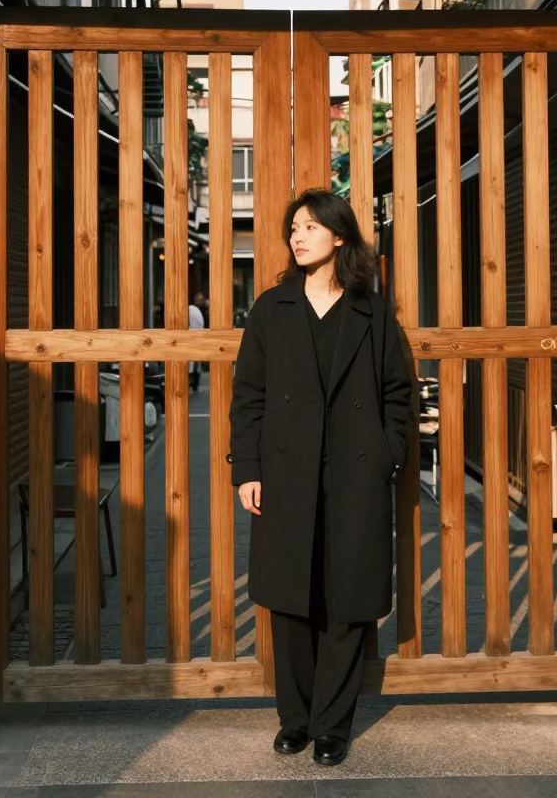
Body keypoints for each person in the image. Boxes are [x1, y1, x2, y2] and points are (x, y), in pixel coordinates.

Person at [227, 188, 414, 767]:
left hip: (355, 477)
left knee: (347, 601)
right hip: (287, 475)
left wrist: (387, 454)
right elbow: (248, 396)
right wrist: (249, 469)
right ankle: (295, 718)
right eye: (293, 228)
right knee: (292, 597)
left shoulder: (372, 313)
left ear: (339, 237)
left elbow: (397, 394)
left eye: (309, 227)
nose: (297, 236)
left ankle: (333, 724)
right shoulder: (271, 309)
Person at [188, 296, 205, 392]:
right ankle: (194, 383)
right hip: (197, 337)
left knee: (193, 363)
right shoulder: (195, 310)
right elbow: (200, 325)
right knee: (195, 363)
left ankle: (192, 382)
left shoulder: (192, 310)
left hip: (192, 338)